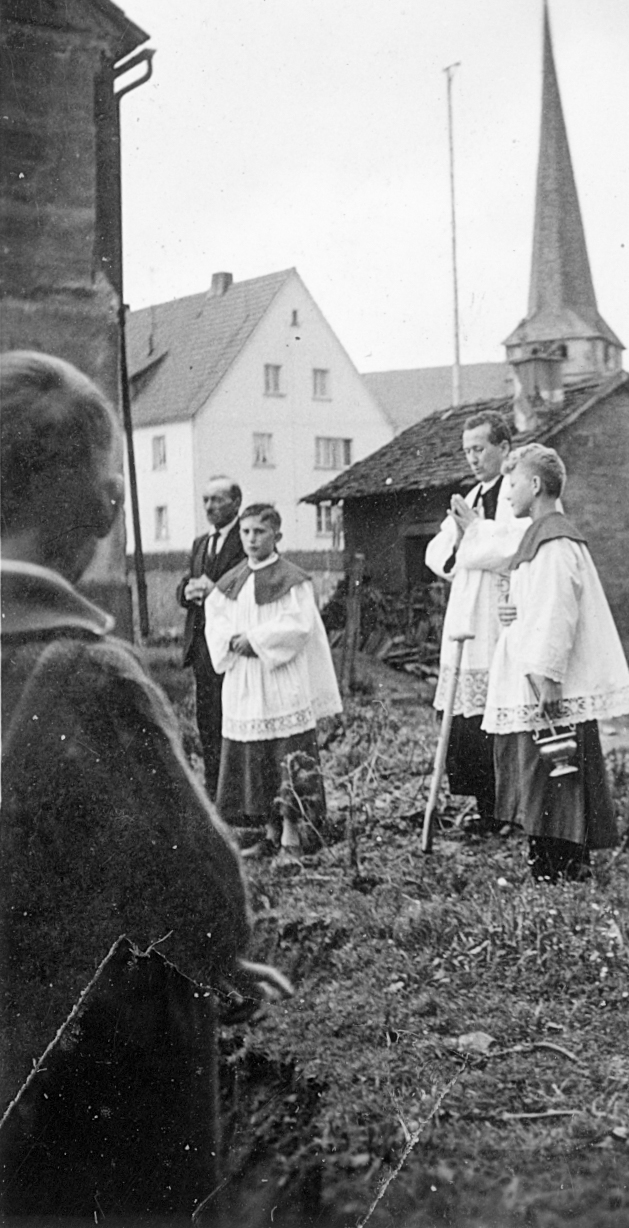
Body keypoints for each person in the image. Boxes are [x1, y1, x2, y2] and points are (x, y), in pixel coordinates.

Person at [0, 351, 280, 1218]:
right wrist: (223, 959)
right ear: (99, 502)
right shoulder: (85, 676)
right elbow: (200, 896)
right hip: (78, 1108)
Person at [482, 444, 629, 882]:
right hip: (531, 675)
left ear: (534, 486)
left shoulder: (554, 540)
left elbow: (558, 613)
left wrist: (548, 677)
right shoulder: (538, 537)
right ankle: (551, 864)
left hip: (547, 682)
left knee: (555, 772)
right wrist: (512, 611)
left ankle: (561, 869)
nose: (507, 492)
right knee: (542, 774)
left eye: (512, 484)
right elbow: (536, 603)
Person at [205, 503, 342, 849]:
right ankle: (269, 832)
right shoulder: (231, 581)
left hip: (280, 677)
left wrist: (256, 639)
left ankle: (293, 835)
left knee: (285, 753)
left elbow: (299, 625)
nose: (251, 539)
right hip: (246, 680)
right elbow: (216, 619)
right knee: (256, 755)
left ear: (277, 536)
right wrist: (232, 642)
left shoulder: (292, 580)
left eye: (259, 532)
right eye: (246, 532)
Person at [425, 411, 529, 835]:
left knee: (500, 712)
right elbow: (440, 553)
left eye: (480, 449)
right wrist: (469, 541)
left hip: (501, 611)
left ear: (504, 448)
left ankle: (512, 810)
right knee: (469, 720)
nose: (472, 458)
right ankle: (487, 809)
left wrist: (476, 535)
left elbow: (514, 547)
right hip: (469, 609)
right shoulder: (469, 495)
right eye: (467, 450)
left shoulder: (517, 493)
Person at [178, 475, 246, 797]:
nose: (209, 506)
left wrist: (215, 589)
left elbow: (250, 581)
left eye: (217, 500)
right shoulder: (201, 543)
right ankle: (213, 787)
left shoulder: (246, 539)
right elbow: (186, 582)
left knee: (231, 717)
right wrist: (187, 590)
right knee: (207, 720)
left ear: (236, 502)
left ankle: (234, 792)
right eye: (205, 500)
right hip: (201, 645)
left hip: (231, 644)